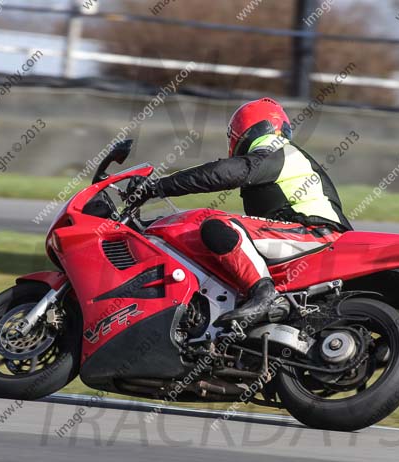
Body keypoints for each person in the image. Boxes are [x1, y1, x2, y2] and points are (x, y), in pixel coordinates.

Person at [126, 97, 352, 329]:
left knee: (217, 226)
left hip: (313, 233)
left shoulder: (275, 148)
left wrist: (159, 186)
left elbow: (227, 172)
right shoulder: (282, 157)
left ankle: (264, 293)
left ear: (242, 131)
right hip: (307, 235)